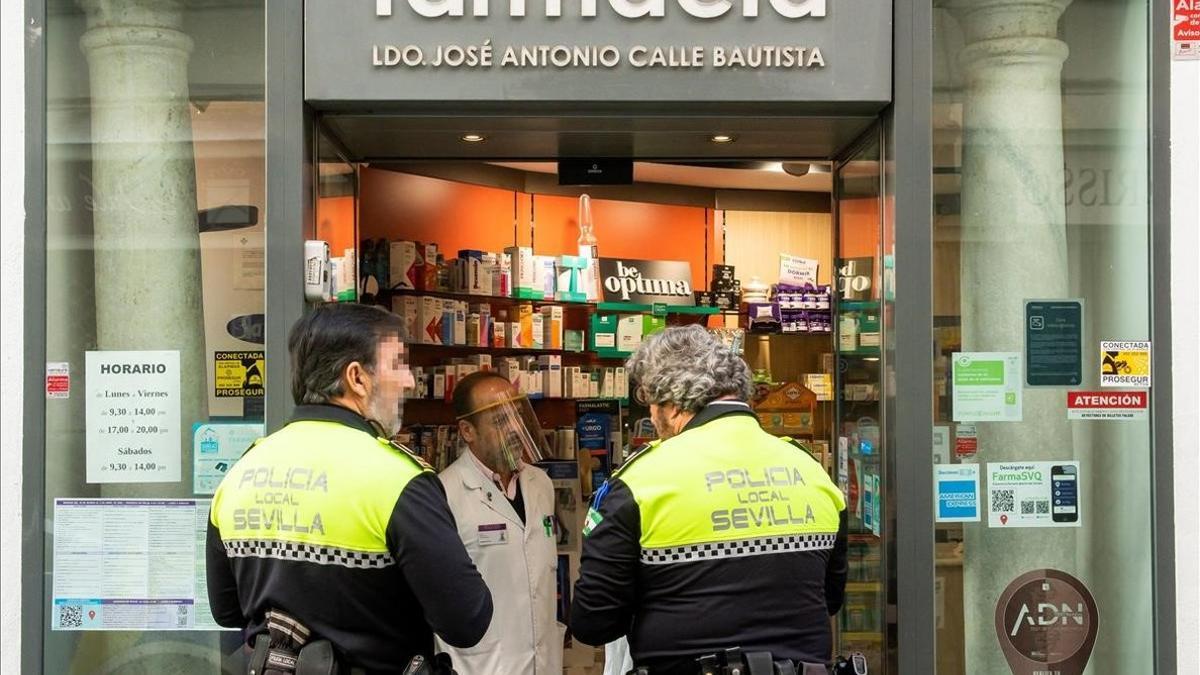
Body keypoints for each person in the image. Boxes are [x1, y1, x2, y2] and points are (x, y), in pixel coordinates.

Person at [206, 303, 493, 674]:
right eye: (397, 364)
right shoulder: (397, 479)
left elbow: (227, 611)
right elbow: (467, 620)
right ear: (356, 378)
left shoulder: (242, 471)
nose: (408, 380)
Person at [570, 325, 848, 675]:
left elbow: (593, 622)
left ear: (671, 403)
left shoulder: (639, 482)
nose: (653, 419)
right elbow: (830, 599)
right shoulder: (811, 471)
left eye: (651, 405)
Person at [436, 371, 564, 674]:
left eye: (517, 417)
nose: (515, 430)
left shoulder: (540, 483)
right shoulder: (444, 494)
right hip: (482, 667)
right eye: (500, 421)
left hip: (543, 663)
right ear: (468, 431)